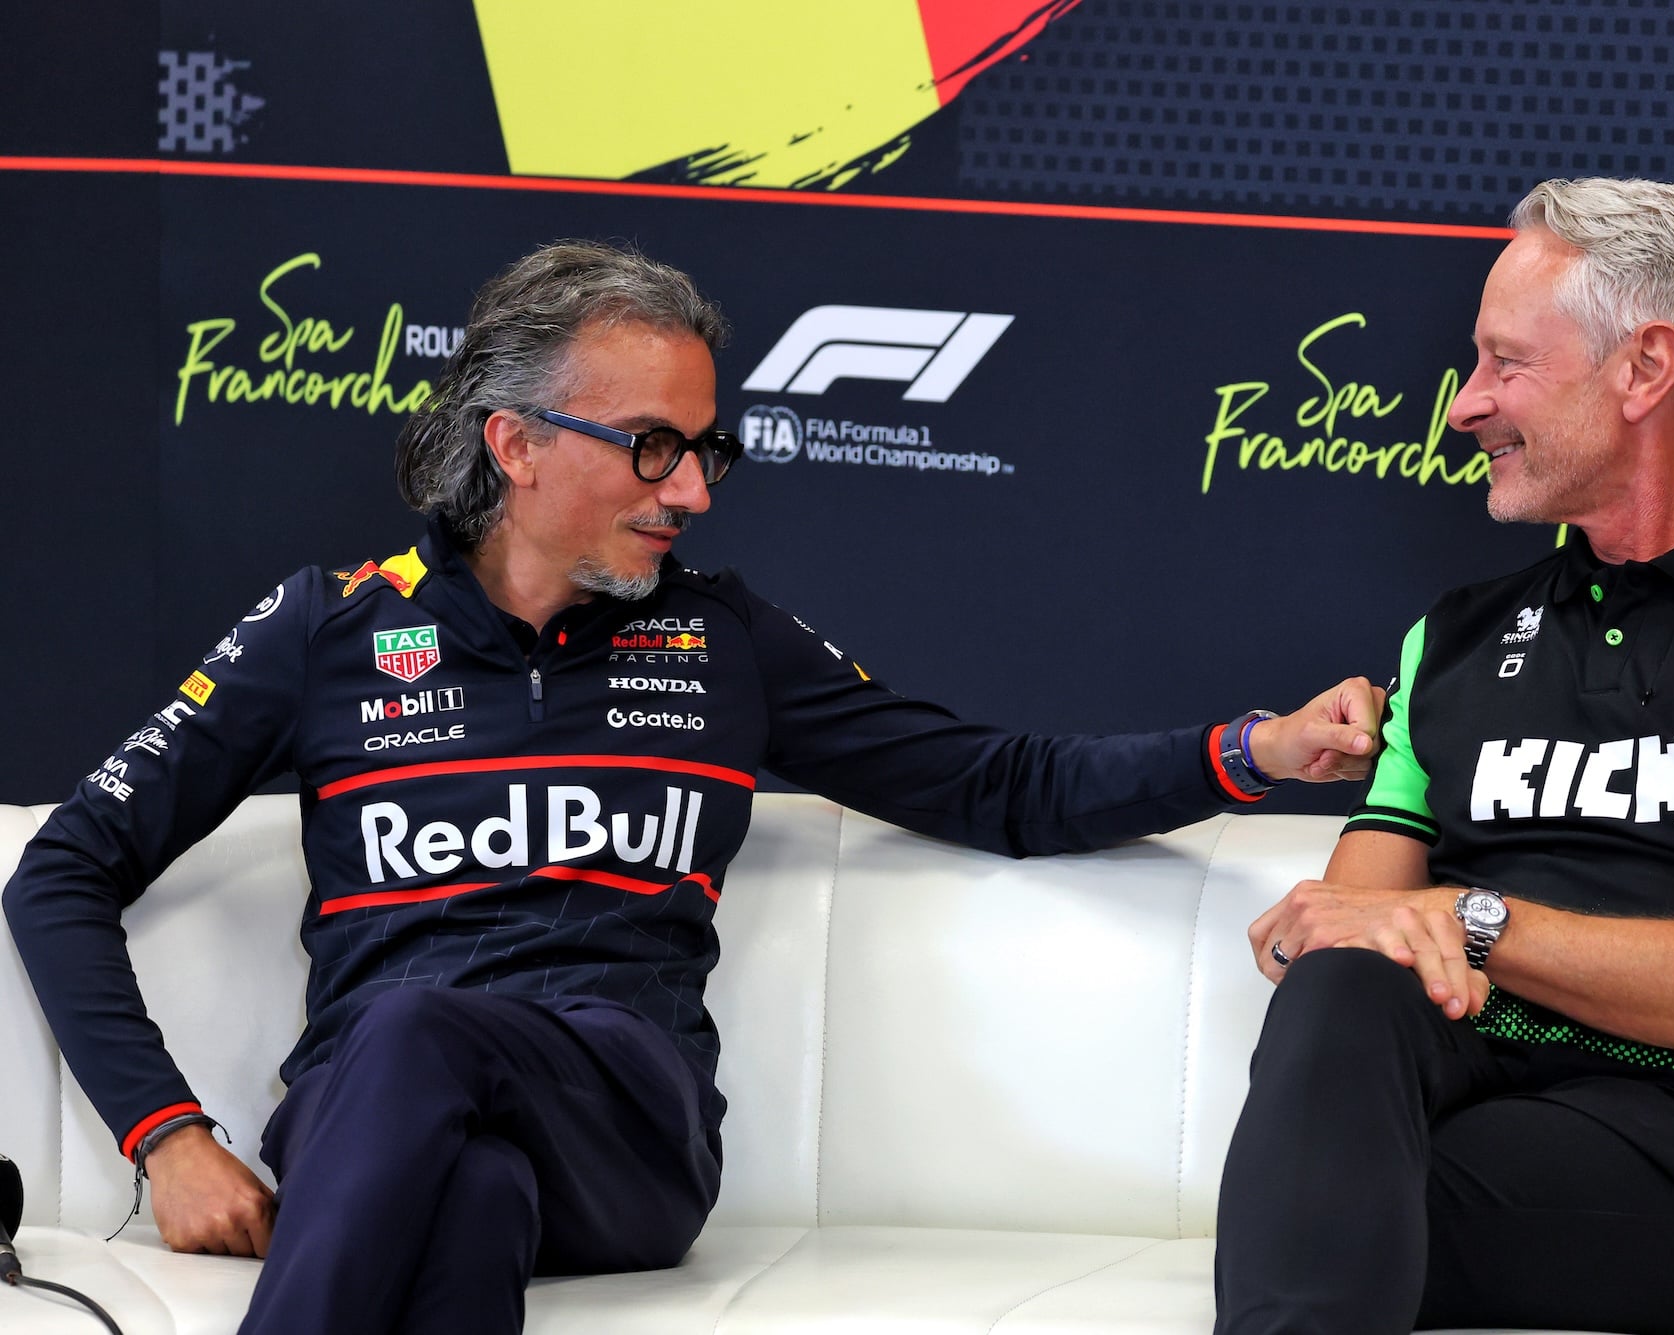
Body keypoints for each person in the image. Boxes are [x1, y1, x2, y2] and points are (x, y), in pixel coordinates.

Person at [2, 241, 1385, 1335]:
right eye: (651, 445)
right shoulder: (330, 629)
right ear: (513, 442)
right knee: (470, 1198)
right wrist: (167, 1135)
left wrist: (1244, 750)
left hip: (630, 1122)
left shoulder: (721, 639)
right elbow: (63, 866)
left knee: (422, 1027)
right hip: (383, 1113)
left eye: (703, 447)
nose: (692, 491)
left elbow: (992, 781)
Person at [1211, 178, 1674, 1335]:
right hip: (1463, 1088)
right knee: (1341, 1018)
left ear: (1643, 369)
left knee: (1326, 1212)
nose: (1463, 407)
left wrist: (1472, 920)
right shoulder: (1454, 636)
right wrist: (1352, 929)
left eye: (1503, 364)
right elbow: (1351, 928)